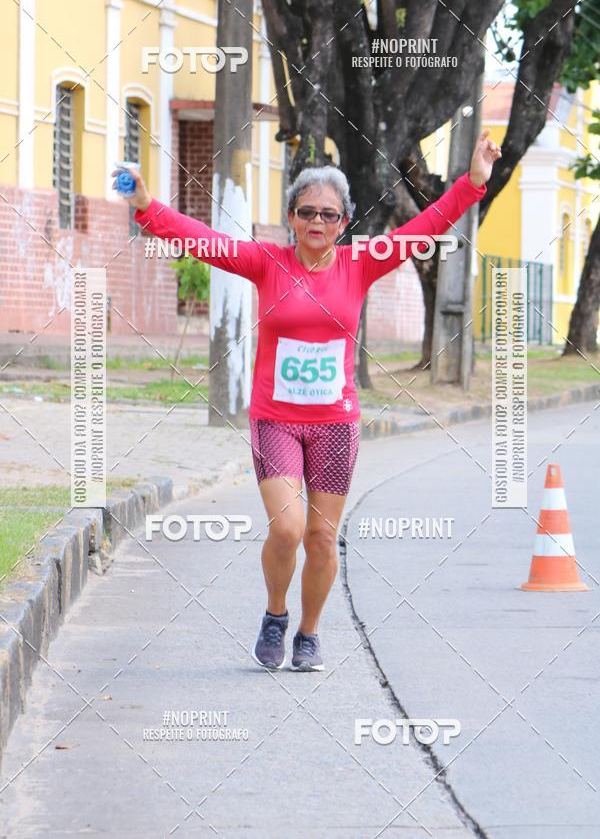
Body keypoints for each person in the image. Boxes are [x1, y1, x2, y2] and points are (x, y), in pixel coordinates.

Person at [112, 131, 501, 673]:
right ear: (291, 217)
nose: (317, 222)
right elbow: (203, 241)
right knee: (289, 528)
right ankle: (275, 613)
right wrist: (146, 207)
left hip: (335, 425)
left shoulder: (360, 264)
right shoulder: (267, 262)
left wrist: (473, 182)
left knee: (321, 539)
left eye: (329, 214)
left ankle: (309, 633)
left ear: (344, 224)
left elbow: (424, 229)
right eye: (306, 212)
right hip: (276, 418)